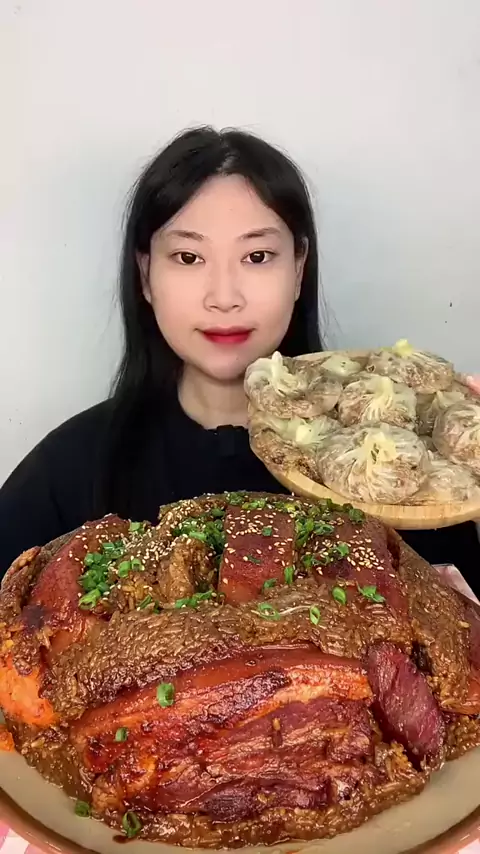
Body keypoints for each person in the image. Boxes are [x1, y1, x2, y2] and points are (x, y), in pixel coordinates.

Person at [1, 126, 479, 589]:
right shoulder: (69, 470)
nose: (224, 297)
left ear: (299, 268)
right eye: (189, 258)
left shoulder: (407, 470)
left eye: (257, 257)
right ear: (145, 275)